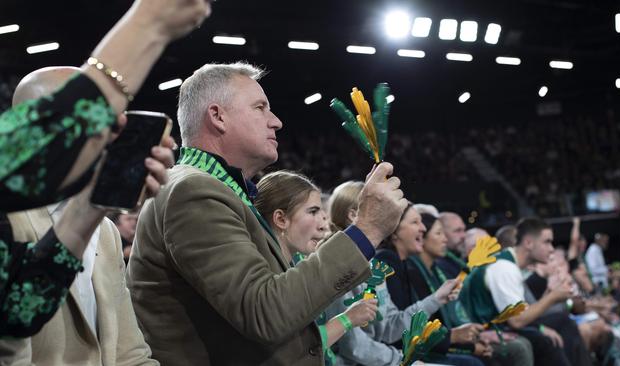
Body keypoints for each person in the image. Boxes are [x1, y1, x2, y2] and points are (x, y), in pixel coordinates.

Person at [127, 62, 408, 365]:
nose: (276, 122)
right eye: (260, 108)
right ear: (218, 116)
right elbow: (265, 312)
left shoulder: (220, 190)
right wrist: (366, 229)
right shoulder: (193, 192)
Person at [0, 0, 211, 338]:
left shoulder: (106, 232)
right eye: (99, 122)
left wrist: (89, 207)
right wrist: (147, 24)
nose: (111, 133)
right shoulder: (14, 215)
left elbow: (20, 311)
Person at [0, 65, 174, 364]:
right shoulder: (9, 223)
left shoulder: (105, 230)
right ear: (31, 132)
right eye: (92, 118)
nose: (111, 134)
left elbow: (130, 353)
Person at [324, 181, 458, 366]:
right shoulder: (338, 264)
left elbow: (389, 327)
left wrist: (436, 299)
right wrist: (402, 361)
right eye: (382, 211)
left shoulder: (372, 264)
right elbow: (354, 347)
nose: (390, 220)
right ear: (354, 215)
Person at [254, 170, 379, 365]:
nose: (324, 223)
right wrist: (346, 319)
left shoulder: (296, 267)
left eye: (322, 211)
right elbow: (287, 350)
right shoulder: (265, 277)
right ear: (281, 219)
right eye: (313, 211)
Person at [409, 211, 534, 366]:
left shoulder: (436, 270)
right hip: (434, 346)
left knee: (524, 343)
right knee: (513, 349)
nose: (445, 239)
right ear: (422, 239)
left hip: (456, 335)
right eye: (439, 233)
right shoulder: (418, 271)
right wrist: (470, 344)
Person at [376, 205, 485, 366]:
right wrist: (454, 338)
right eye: (415, 222)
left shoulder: (401, 263)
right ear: (394, 231)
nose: (422, 228)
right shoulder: (386, 263)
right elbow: (394, 331)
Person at [459, 217, 573, 366]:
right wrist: (552, 297)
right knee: (538, 342)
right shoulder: (505, 267)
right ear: (528, 243)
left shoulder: (507, 262)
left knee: (549, 332)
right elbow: (517, 321)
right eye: (547, 242)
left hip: (490, 327)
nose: (551, 249)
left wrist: (548, 295)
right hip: (475, 333)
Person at [436, 212, 468, 279]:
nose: (464, 236)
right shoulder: (438, 264)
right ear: (442, 233)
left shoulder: (462, 258)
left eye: (464, 230)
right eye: (457, 231)